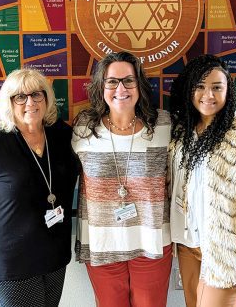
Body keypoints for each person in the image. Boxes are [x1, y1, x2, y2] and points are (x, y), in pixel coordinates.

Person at [0, 68, 79, 307]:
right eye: (20, 97)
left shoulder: (62, 135)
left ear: (46, 99)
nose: (30, 103)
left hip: (53, 254)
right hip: (13, 260)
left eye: (37, 95)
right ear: (9, 102)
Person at [168, 54, 236, 307]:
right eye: (200, 87)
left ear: (228, 90)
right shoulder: (183, 131)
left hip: (225, 252)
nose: (208, 95)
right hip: (187, 245)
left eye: (217, 87)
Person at [72, 51, 173, 307]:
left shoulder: (163, 125)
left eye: (129, 80)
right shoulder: (84, 127)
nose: (121, 88)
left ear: (139, 85)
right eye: (112, 81)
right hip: (102, 242)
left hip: (151, 241)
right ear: (101, 86)